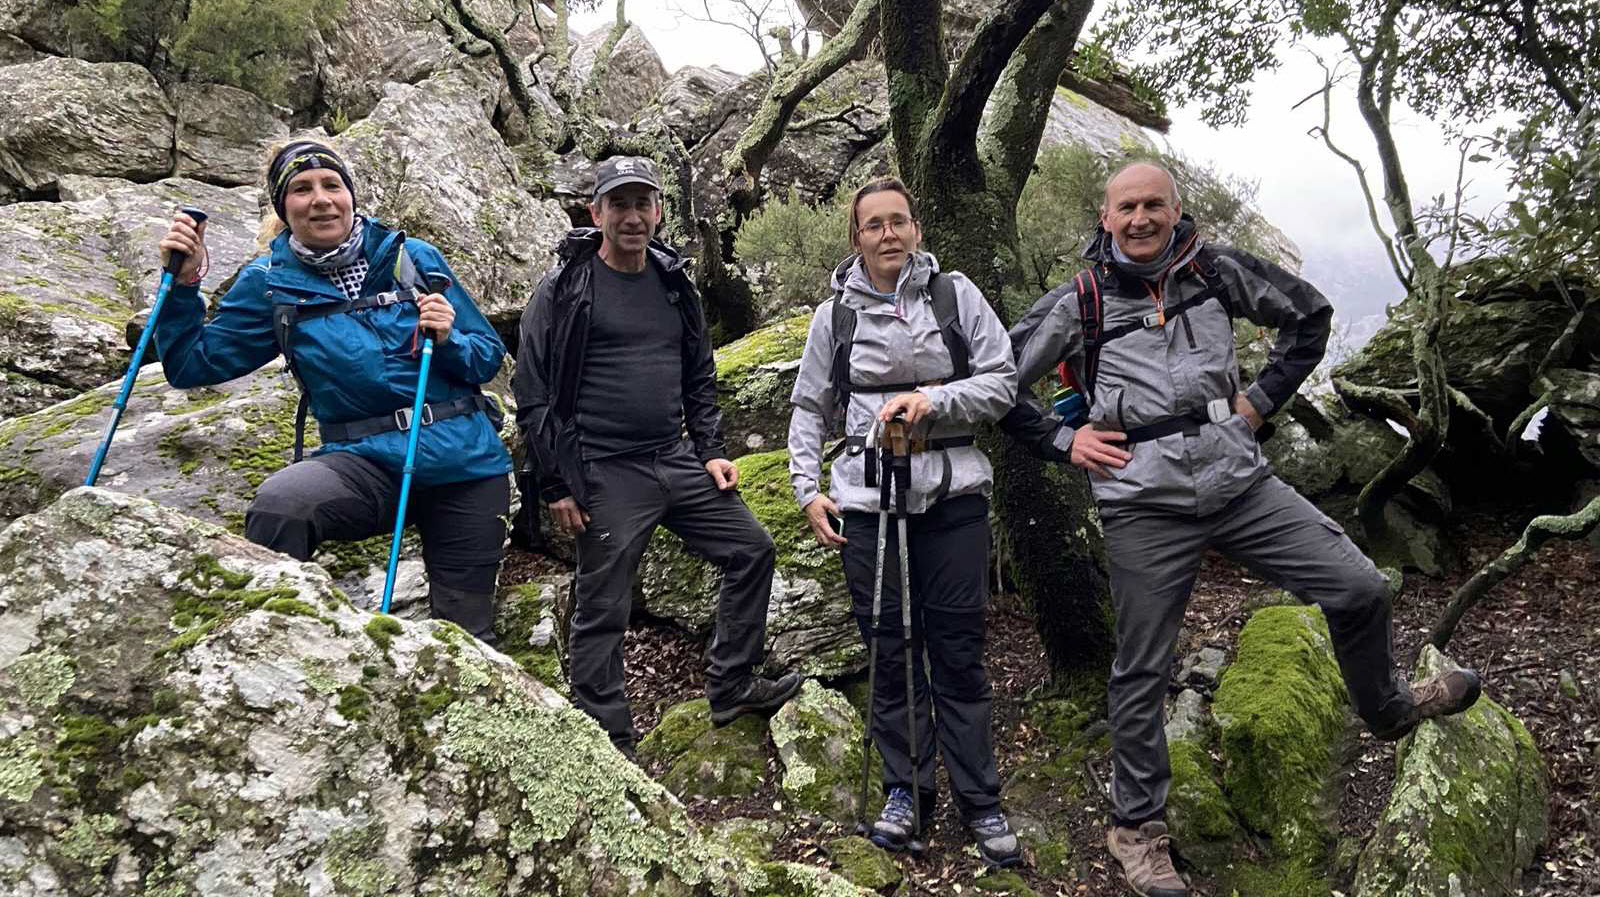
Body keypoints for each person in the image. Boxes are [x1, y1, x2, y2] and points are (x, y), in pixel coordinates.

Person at [1003, 161, 1482, 897]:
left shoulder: (1215, 272)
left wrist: (1259, 402)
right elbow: (998, 379)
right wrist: (1064, 443)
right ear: (1106, 218)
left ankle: (1389, 707)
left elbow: (1309, 316)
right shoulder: (1083, 301)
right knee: (1141, 669)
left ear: (1175, 208)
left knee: (1358, 585)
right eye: (1126, 207)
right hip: (1142, 503)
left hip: (1238, 485)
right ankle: (1137, 829)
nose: (1140, 219)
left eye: (1153, 205)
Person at [153, 140, 512, 644]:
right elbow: (193, 364)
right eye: (301, 189)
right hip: (365, 464)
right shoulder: (270, 285)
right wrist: (183, 283)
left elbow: (488, 354)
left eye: (332, 185)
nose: (320, 199)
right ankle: (288, 644)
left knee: (468, 633)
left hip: (465, 461)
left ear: (350, 195)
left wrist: (449, 340)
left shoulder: (412, 258)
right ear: (283, 207)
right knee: (283, 507)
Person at [512, 156, 803, 758]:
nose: (633, 216)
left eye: (643, 203)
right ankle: (605, 735)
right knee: (604, 598)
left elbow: (699, 375)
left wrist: (712, 452)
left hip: (674, 458)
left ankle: (733, 683)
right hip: (603, 469)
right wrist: (554, 485)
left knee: (752, 549)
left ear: (659, 211)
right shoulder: (565, 289)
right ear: (596, 213)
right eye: (619, 204)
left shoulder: (674, 283)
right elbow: (532, 390)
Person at [787, 176, 1024, 867]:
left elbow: (1003, 379)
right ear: (856, 238)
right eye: (874, 225)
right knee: (889, 650)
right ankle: (906, 791)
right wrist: (807, 490)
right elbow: (809, 407)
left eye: (899, 221)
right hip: (869, 503)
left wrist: (934, 399)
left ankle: (980, 798)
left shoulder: (955, 296)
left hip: (952, 500)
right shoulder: (835, 317)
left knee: (957, 647)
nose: (888, 234)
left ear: (916, 228)